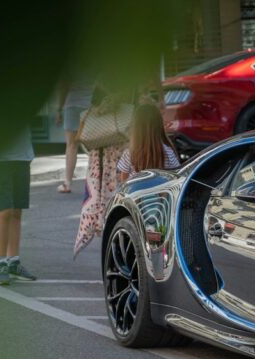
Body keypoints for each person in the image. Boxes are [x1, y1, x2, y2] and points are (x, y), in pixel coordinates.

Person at [73, 88, 131, 258]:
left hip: (99, 158)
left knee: (103, 198)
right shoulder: (125, 104)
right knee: (118, 199)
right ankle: (118, 247)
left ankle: (111, 243)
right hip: (118, 154)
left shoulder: (98, 88)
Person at [0, 125, 37, 285]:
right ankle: (0, 264)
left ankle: (13, 262)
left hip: (22, 155)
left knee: (16, 212)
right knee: (4, 211)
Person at [116, 103, 180, 182]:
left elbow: (124, 181)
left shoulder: (129, 153)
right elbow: (177, 177)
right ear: (159, 125)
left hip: (136, 190)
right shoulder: (168, 152)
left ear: (136, 128)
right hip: (161, 190)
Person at [55, 74, 95, 193]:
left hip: (72, 105)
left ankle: (67, 184)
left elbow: (64, 87)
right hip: (89, 105)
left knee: (71, 145)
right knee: (93, 145)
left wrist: (59, 109)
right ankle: (94, 183)